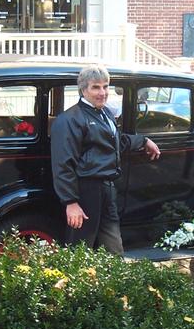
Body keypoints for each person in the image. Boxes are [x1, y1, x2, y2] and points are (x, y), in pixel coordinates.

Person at [50, 65, 161, 255]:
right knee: (80, 249)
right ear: (83, 89)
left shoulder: (105, 114)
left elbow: (115, 142)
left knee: (113, 247)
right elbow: (63, 163)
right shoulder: (70, 119)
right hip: (85, 190)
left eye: (105, 86)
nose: (102, 93)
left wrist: (143, 141)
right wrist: (71, 202)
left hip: (107, 188)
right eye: (95, 87)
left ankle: (115, 275)